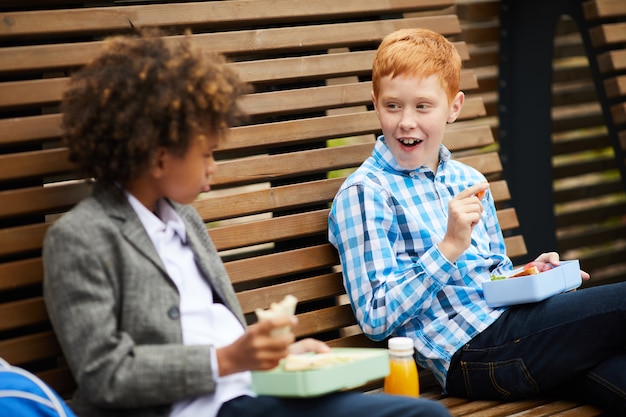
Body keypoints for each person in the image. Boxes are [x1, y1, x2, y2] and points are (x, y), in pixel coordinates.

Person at [42, 30, 452, 417]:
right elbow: (103, 376)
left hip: (253, 394)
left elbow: (217, 336)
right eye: (205, 154)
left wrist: (279, 357)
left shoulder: (182, 219)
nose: (213, 168)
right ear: (159, 155)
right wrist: (230, 359)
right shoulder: (80, 238)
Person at [328, 28, 626, 415]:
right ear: (375, 104)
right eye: (393, 106)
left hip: (517, 333)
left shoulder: (467, 180)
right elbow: (375, 316)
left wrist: (531, 274)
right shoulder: (365, 193)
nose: (406, 122)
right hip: (468, 355)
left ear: (453, 107)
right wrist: (447, 248)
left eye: (423, 106)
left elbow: (491, 279)